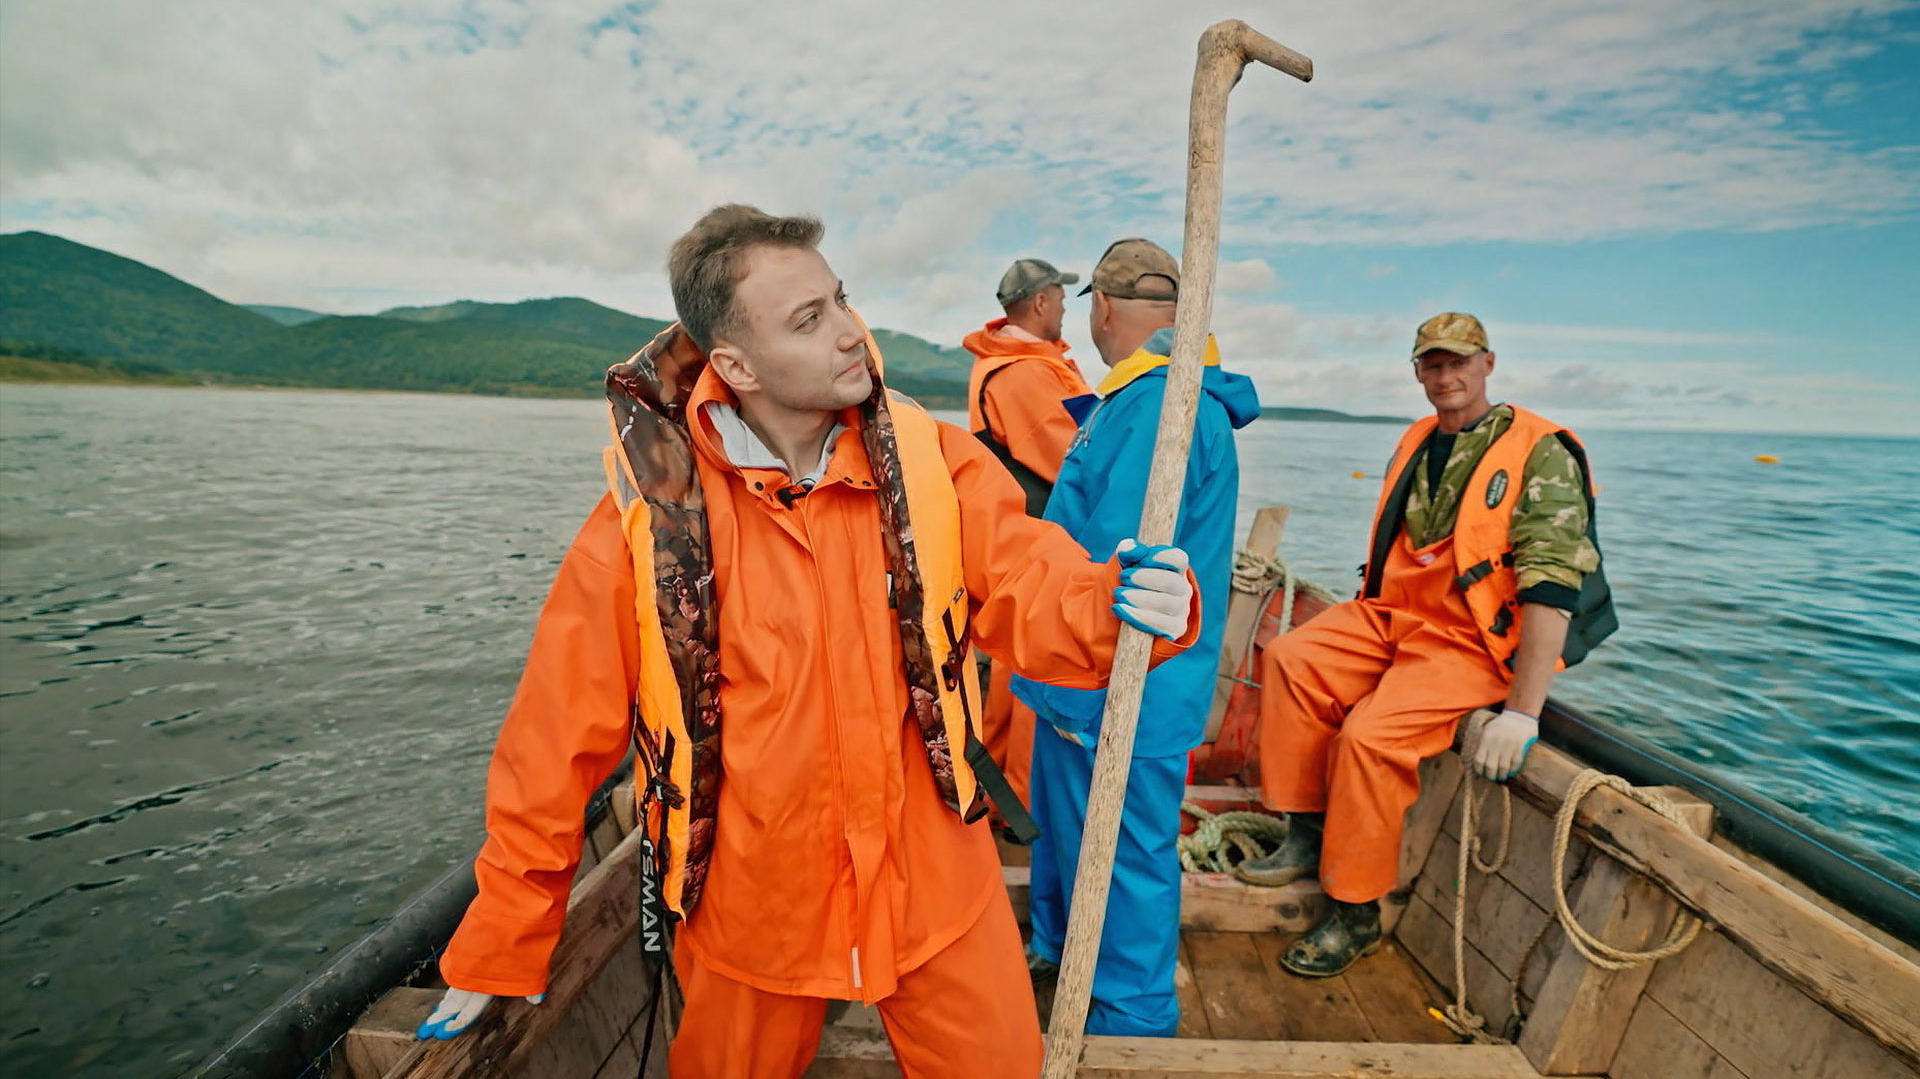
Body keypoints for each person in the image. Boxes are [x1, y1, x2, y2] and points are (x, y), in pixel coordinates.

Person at [411, 204, 1204, 1078]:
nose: (851, 332)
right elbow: (554, 737)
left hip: (937, 882)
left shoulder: (935, 463)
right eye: (808, 319)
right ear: (735, 365)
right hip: (751, 907)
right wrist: (502, 939)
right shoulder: (645, 525)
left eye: (841, 299)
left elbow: (1032, 580)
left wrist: (1120, 602)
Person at [1236, 312, 1615, 978]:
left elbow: (1552, 588)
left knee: (1369, 738)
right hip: (1394, 615)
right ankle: (1306, 830)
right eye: (1432, 364)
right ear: (1416, 371)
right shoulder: (1416, 436)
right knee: (1292, 658)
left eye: (1458, 362)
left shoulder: (1540, 449)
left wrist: (1522, 713)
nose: (1446, 376)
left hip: (1470, 640)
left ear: (1488, 363)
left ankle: (1356, 911)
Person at [1010, 238, 1259, 1035]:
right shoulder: (1137, 398)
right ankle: (1058, 947)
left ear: (1104, 308)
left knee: (1125, 851)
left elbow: (1113, 559)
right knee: (1067, 830)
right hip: (1074, 679)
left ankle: (1132, 1016)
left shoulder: (1161, 405)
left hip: (1126, 683)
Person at [961, 257, 1096, 810]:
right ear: (1040, 301)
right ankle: (1018, 800)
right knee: (1030, 670)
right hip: (1034, 541)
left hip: (1024, 538)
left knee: (1013, 670)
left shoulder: (1025, 364)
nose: (1065, 307)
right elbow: (1077, 459)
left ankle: (1002, 798)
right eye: (1060, 297)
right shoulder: (1023, 375)